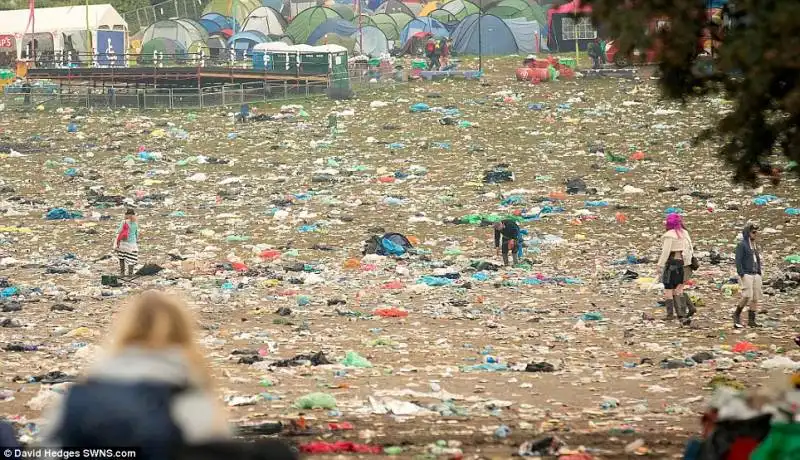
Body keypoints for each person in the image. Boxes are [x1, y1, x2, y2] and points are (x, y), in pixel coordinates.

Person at [40, 291, 232, 454]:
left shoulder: (80, 396)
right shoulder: (190, 398)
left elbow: (49, 450)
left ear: (124, 329)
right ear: (184, 332)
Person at [656, 213, 694, 325]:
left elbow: (665, 252)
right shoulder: (684, 233)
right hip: (681, 263)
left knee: (668, 289)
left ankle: (670, 315)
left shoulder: (669, 235)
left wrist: (659, 265)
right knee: (678, 290)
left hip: (671, 263)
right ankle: (681, 315)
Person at [734, 222, 763, 328]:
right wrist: (741, 273)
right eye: (753, 232)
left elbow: (757, 260)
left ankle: (752, 320)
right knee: (747, 295)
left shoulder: (754, 245)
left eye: (756, 232)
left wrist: (759, 272)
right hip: (746, 274)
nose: (755, 234)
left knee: (755, 297)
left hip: (755, 274)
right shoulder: (742, 245)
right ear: (748, 233)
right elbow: (738, 260)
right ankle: (737, 314)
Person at [114, 208, 139, 276]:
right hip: (132, 244)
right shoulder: (135, 223)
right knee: (131, 259)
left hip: (123, 243)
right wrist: (136, 240)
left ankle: (122, 273)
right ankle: (130, 274)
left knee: (122, 257)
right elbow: (137, 233)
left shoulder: (124, 222)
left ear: (126, 215)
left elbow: (119, 231)